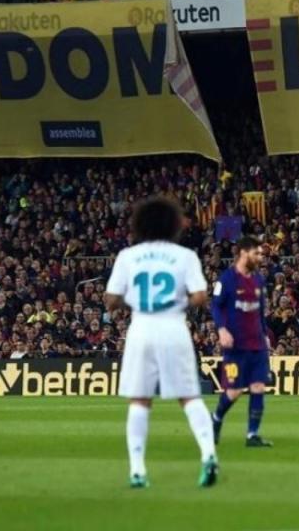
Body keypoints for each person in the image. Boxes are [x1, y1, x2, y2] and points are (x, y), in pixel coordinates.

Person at [104, 197, 218, 489]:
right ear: (173, 225)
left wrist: (132, 300)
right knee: (189, 396)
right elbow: (201, 296)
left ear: (139, 225)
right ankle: (208, 454)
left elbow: (111, 301)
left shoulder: (128, 257)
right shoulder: (185, 256)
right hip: (174, 327)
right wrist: (179, 300)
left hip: (142, 328)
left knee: (140, 399)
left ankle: (138, 470)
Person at [211, 236, 273, 447]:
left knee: (258, 387)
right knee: (234, 391)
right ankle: (216, 418)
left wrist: (265, 334)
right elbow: (216, 306)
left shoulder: (258, 280)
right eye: (257, 253)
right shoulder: (226, 279)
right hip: (235, 347)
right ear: (244, 253)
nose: (260, 257)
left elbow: (261, 312)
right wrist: (221, 329)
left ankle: (252, 435)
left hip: (257, 345)